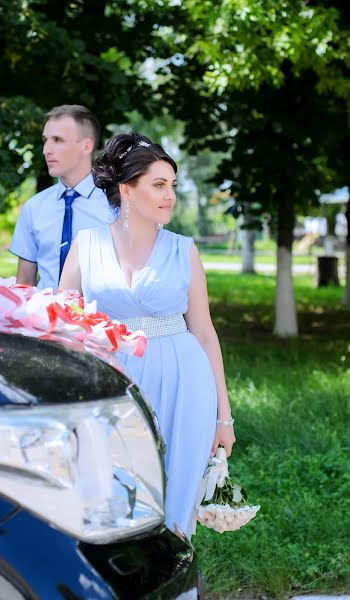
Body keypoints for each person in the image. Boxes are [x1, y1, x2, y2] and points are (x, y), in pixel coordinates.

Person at [59, 132, 235, 537]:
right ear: (126, 189)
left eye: (172, 185)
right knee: (116, 494)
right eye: (158, 185)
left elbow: (205, 333)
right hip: (113, 379)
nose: (170, 195)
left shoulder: (184, 249)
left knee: (177, 501)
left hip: (183, 379)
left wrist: (223, 417)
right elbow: (64, 327)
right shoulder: (86, 246)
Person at [9, 105, 116, 290]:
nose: (46, 150)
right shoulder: (34, 208)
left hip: (101, 317)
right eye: (45, 140)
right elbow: (24, 285)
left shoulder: (116, 204)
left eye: (57, 140)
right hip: (44, 317)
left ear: (86, 146)